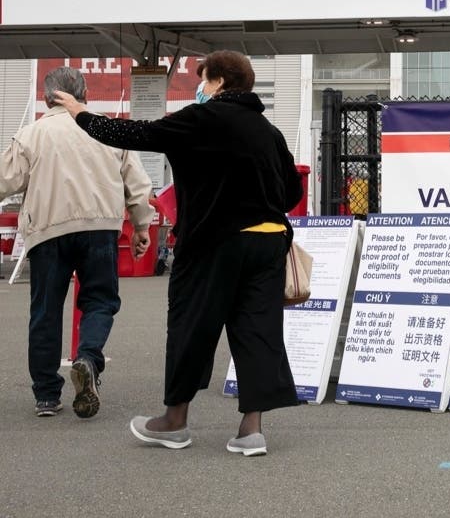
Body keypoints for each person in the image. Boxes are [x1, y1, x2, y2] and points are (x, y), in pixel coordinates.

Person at [54, 50, 304, 457]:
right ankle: (251, 430)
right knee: (258, 331)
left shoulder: (201, 119)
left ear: (220, 82)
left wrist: (82, 113)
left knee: (193, 325)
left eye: (202, 81)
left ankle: (175, 421)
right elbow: (292, 192)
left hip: (214, 243)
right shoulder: (267, 130)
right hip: (268, 243)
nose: (199, 89)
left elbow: (136, 135)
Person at [0, 66, 154, 418]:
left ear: (46, 97)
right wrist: (142, 226)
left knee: (45, 310)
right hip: (100, 227)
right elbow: (139, 185)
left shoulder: (31, 134)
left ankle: (46, 395)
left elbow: (5, 180)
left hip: (47, 231)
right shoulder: (105, 128)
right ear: (84, 94)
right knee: (100, 300)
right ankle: (87, 358)